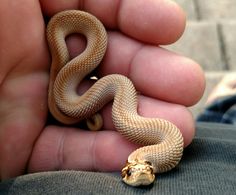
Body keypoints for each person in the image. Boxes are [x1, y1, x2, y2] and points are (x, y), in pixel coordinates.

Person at [0, 0, 235, 194]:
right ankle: (222, 109)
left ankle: (221, 109)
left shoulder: (152, 152)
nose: (142, 173)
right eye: (140, 171)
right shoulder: (159, 144)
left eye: (140, 171)